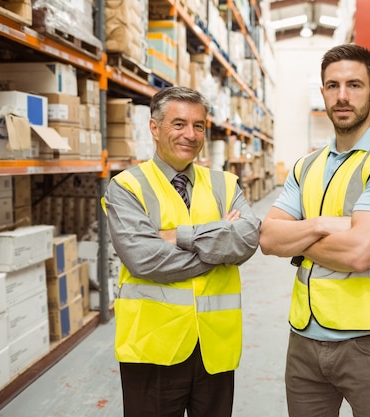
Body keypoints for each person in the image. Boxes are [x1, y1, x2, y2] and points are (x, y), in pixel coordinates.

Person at [259, 44, 370, 417]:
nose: (342, 96)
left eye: (354, 85)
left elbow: (359, 253)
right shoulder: (306, 166)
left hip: (368, 344)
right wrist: (323, 224)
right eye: (333, 85)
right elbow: (268, 238)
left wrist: (299, 238)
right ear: (322, 92)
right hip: (304, 341)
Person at [102, 86, 261, 417]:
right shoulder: (127, 186)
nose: (190, 134)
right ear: (154, 128)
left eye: (199, 125)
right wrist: (219, 246)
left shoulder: (225, 184)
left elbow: (246, 239)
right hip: (153, 348)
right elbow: (145, 259)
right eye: (179, 124)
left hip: (215, 348)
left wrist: (180, 236)